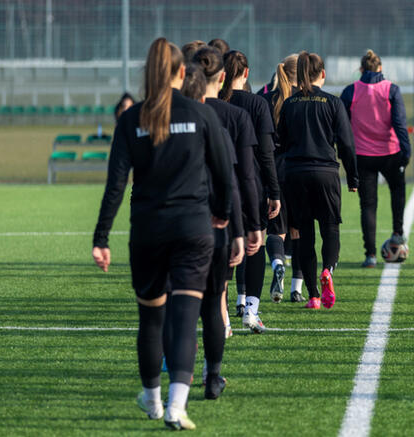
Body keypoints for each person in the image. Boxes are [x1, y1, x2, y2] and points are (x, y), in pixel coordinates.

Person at [92, 37, 234, 430]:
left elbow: (116, 185)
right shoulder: (201, 115)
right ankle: (176, 406)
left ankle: (152, 400)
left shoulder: (131, 119)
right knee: (186, 319)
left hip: (148, 234)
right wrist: (222, 215)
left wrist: (101, 238)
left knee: (152, 320)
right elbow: (224, 173)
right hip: (194, 229)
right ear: (180, 72)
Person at [178, 59, 245, 399]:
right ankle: (213, 374)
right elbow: (229, 182)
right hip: (213, 227)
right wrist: (236, 228)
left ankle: (180, 377)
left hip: (175, 228)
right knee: (212, 304)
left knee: (182, 307)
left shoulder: (164, 128)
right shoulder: (215, 127)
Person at [277, 51, 358, 310]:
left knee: (303, 235)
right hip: (326, 172)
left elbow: (280, 141)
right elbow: (346, 144)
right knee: (330, 228)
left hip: (295, 174)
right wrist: (353, 176)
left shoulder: (289, 104)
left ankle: (312, 296)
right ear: (323, 73)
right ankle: (327, 271)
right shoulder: (333, 103)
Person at [218, 50, 287, 330]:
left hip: (216, 186)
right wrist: (274, 190)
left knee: (221, 246)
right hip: (251, 184)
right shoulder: (257, 104)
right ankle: (251, 309)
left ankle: (221, 309)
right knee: (254, 245)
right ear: (245, 73)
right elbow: (267, 153)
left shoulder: (210, 105)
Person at [340, 49, 411, 268]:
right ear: (380, 68)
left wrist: (346, 156)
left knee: (368, 206)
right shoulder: (391, 89)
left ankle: (370, 255)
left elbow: (342, 128)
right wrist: (406, 151)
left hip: (362, 155)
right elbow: (399, 123)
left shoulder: (350, 91)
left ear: (361, 69)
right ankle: (397, 233)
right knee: (397, 192)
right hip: (390, 153)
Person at [257, 53, 307, 304]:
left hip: (273, 171)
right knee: (299, 231)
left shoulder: (265, 100)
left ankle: (277, 263)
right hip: (300, 170)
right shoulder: (306, 100)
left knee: (276, 230)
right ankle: (296, 289)